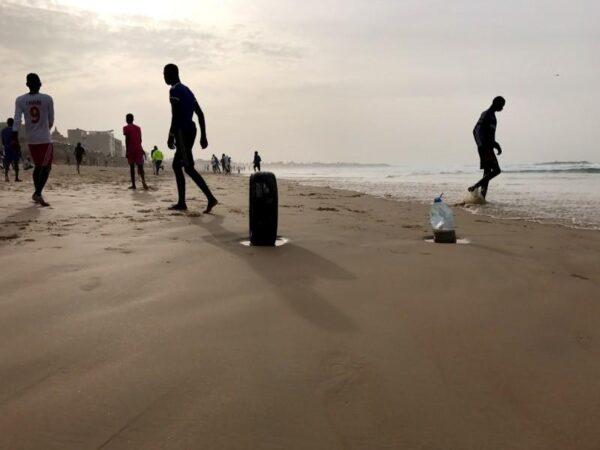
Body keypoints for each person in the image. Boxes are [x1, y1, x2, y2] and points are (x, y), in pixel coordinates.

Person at [163, 63, 218, 212]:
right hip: (191, 130)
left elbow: (175, 116)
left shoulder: (174, 90)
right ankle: (182, 202)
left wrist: (171, 135)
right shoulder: (187, 90)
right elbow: (200, 114)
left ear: (172, 74)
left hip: (183, 131)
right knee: (177, 165)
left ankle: (210, 198)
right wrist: (203, 135)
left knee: (188, 168)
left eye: (165, 74)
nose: (164, 77)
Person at [13, 73, 54, 206]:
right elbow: (51, 121)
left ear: (27, 85)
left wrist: (15, 138)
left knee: (38, 166)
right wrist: (44, 128)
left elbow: (17, 120)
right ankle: (37, 193)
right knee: (46, 167)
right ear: (40, 84)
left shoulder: (20, 100)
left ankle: (38, 193)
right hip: (44, 139)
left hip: (31, 139)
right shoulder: (47, 99)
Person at [468, 96, 505, 199]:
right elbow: (476, 130)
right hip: (485, 147)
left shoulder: (492, 116)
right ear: (496, 103)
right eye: (502, 105)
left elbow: (489, 134)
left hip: (487, 147)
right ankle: (475, 187)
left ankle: (482, 197)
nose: (502, 108)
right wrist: (482, 145)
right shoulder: (487, 114)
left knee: (487, 172)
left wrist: (494, 144)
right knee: (497, 170)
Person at [123, 113, 149, 190]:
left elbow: (127, 139)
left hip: (131, 149)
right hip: (138, 149)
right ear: (133, 119)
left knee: (132, 168)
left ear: (127, 120)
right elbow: (140, 140)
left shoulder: (126, 128)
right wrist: (141, 149)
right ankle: (143, 182)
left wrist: (127, 151)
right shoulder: (138, 128)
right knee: (140, 167)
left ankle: (134, 185)